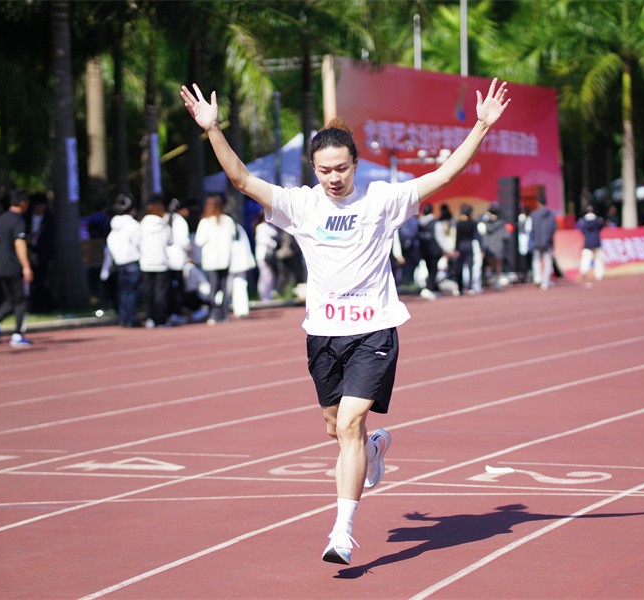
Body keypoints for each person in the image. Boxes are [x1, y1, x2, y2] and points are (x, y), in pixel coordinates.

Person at [181, 76, 510, 565]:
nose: (333, 178)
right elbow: (243, 181)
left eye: (340, 168)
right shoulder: (301, 204)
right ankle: (373, 450)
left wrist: (480, 126)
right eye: (324, 170)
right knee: (337, 429)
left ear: (355, 164)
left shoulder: (381, 200)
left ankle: (342, 531)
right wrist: (212, 129)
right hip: (322, 334)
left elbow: (443, 175)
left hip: (373, 329)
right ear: (313, 169)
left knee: (352, 420)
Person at [0, 189, 33, 348]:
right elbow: (19, 242)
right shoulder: (18, 220)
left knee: (10, 299)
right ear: (23, 203)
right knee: (21, 301)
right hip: (14, 265)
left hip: (1, 265)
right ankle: (18, 334)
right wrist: (26, 266)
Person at [194, 193, 236, 325]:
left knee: (214, 287)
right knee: (223, 287)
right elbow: (233, 238)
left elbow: (199, 241)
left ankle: (214, 313)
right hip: (225, 259)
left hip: (211, 261)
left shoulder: (205, 222)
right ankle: (224, 313)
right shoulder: (227, 221)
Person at [105, 194, 142, 327]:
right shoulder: (132, 224)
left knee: (123, 291)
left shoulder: (115, 225)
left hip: (119, 261)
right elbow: (139, 241)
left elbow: (110, 242)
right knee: (132, 291)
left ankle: (123, 317)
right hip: (132, 260)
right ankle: (131, 317)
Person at [139, 196, 172, 328]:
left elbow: (137, 241)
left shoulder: (142, 224)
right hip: (161, 262)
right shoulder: (164, 225)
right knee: (161, 293)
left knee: (148, 292)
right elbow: (170, 241)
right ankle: (161, 319)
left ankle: (150, 318)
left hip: (146, 262)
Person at [529, 197, 557, 290]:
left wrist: (533, 239)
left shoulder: (533, 215)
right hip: (548, 242)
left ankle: (537, 278)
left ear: (538, 203)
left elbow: (531, 229)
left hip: (537, 241)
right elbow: (553, 228)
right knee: (547, 261)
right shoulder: (551, 214)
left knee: (536, 260)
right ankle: (545, 281)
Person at [577, 202, 605, 288]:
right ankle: (599, 274)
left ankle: (584, 271)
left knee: (586, 258)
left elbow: (581, 230)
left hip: (587, 242)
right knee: (599, 259)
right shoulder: (598, 220)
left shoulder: (583, 221)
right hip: (596, 241)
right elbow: (601, 227)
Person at [253, 211, 280, 302]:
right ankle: (264, 296)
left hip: (270, 255)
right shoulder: (260, 227)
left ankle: (268, 296)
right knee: (265, 276)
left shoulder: (270, 226)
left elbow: (275, 234)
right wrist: (273, 243)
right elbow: (263, 240)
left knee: (270, 276)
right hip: (263, 255)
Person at [416, 203, 441, 299]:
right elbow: (440, 237)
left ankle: (432, 288)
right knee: (433, 270)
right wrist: (448, 249)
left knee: (428, 268)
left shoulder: (419, 222)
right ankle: (429, 289)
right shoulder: (435, 222)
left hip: (423, 249)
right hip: (434, 250)